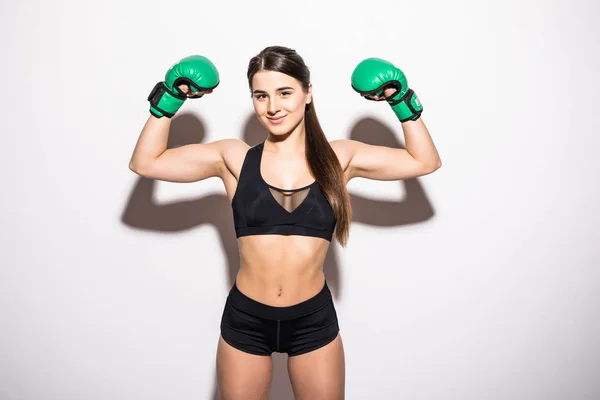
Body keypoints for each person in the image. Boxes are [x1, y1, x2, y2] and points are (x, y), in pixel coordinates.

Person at [129, 46, 441, 400]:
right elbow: (146, 162)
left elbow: (424, 160)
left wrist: (400, 100)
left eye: (284, 92)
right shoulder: (234, 157)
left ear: (308, 93)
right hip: (246, 320)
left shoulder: (339, 157)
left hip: (312, 322)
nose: (272, 106)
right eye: (261, 95)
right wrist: (169, 98)